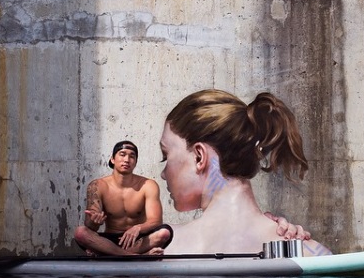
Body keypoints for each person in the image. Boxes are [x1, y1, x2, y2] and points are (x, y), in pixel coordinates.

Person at [158, 89, 332, 255]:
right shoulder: (309, 253)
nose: (163, 174)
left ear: (199, 157)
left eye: (166, 156)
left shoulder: (158, 247)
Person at [74, 139, 309, 256]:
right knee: (81, 233)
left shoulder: (147, 185)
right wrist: (93, 223)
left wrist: (137, 229)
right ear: (113, 159)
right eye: (122, 155)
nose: (127, 159)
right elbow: (90, 225)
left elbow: (155, 223)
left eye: (132, 156)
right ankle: (126, 258)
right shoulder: (98, 186)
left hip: (137, 243)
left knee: (165, 232)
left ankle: (122, 256)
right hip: (113, 242)